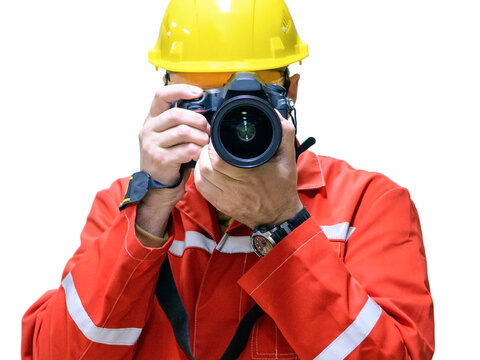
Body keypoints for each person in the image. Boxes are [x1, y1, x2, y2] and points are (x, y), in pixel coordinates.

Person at [21, 0, 434, 359]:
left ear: (291, 92)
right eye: (200, 100)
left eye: (247, 99)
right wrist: (149, 215)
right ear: (165, 98)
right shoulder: (125, 206)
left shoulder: (368, 205)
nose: (226, 120)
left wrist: (283, 223)